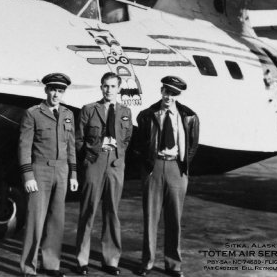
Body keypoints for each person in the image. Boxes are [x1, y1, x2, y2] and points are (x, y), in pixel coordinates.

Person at [135, 76, 199, 277]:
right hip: (154, 168)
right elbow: (139, 144)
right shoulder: (147, 115)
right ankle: (147, 263)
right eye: (166, 91)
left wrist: (182, 167)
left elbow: (193, 145)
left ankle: (173, 265)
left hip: (176, 169)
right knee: (150, 217)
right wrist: (148, 165)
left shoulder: (189, 116)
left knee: (174, 219)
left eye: (173, 93)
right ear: (161, 90)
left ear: (178, 95)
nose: (168, 96)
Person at [19, 72, 79, 277]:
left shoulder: (68, 114)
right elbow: (24, 146)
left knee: (56, 220)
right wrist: (28, 176)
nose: (56, 94)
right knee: (35, 220)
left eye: (60, 91)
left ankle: (51, 265)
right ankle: (29, 267)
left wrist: (73, 174)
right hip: (40, 171)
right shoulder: (33, 113)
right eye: (53, 89)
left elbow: (71, 147)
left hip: (62, 172)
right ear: (46, 90)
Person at [75, 72, 133, 276]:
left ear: (119, 89)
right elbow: (79, 140)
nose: (109, 90)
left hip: (116, 164)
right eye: (105, 86)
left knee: (112, 212)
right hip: (95, 163)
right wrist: (95, 152)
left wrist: (118, 154)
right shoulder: (89, 110)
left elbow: (126, 139)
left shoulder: (125, 111)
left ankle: (110, 260)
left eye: (113, 86)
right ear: (101, 88)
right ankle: (82, 259)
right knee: (88, 210)